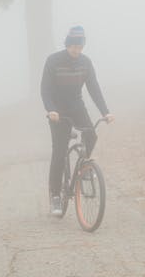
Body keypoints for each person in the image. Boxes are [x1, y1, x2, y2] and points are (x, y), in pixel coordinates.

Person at [41, 25, 114, 216]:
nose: (76, 50)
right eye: (73, 46)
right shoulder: (53, 61)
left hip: (75, 105)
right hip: (57, 109)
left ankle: (84, 167)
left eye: (79, 47)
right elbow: (45, 89)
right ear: (67, 44)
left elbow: (94, 88)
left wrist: (105, 112)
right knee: (59, 152)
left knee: (91, 134)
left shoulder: (86, 63)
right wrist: (50, 110)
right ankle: (56, 196)